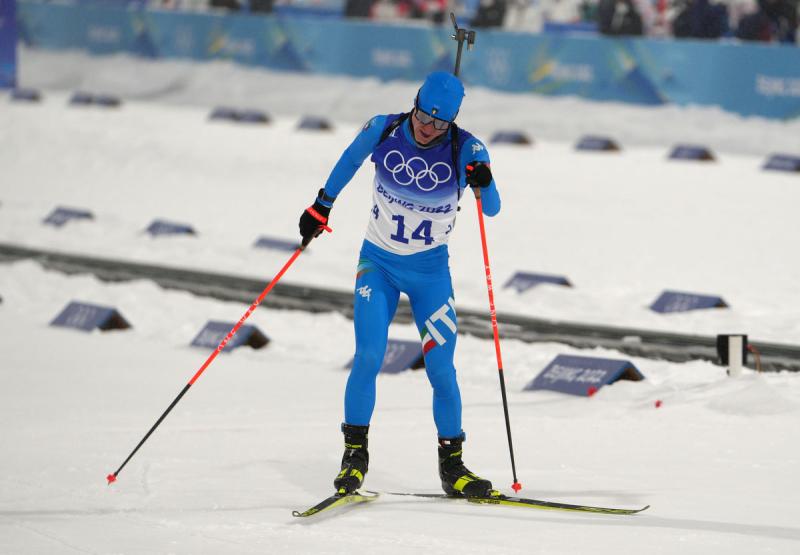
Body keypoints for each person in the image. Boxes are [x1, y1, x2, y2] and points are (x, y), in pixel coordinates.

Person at [297, 71, 502, 498]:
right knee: (369, 355)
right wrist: (322, 206)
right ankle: (354, 458)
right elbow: (350, 161)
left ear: (452, 121)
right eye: (423, 117)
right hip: (379, 265)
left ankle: (453, 468)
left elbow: (493, 209)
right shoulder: (384, 128)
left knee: (442, 369)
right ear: (414, 104)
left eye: (439, 124)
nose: (428, 129)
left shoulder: (467, 148)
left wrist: (484, 180)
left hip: (431, 275)